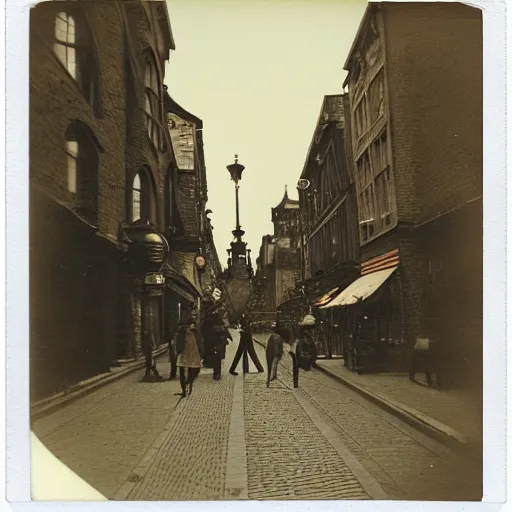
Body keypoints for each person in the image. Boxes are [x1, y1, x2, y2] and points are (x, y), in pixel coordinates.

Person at [175, 310, 204, 397]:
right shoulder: (182, 327)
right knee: (182, 371)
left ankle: (189, 382)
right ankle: (184, 390)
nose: (193, 316)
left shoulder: (197, 326)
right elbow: (179, 338)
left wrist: (201, 351)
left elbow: (200, 339)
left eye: (195, 315)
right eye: (192, 315)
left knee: (194, 369)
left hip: (194, 351)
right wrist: (178, 349)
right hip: (184, 350)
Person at [201, 301, 232, 380]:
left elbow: (224, 329)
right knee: (216, 358)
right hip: (214, 341)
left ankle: (217, 373)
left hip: (218, 342)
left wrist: (227, 336)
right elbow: (205, 331)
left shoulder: (216, 319)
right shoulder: (212, 320)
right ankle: (216, 373)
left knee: (217, 358)